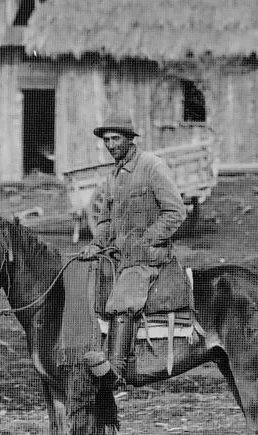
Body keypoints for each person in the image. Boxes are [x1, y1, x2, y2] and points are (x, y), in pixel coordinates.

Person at [80, 112, 187, 387]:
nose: (111, 145)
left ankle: (116, 368)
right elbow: (105, 222)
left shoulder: (152, 166)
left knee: (123, 298)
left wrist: (147, 239)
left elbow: (176, 212)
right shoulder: (111, 178)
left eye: (116, 139)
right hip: (119, 257)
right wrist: (95, 244)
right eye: (106, 140)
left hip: (148, 258)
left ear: (130, 139)